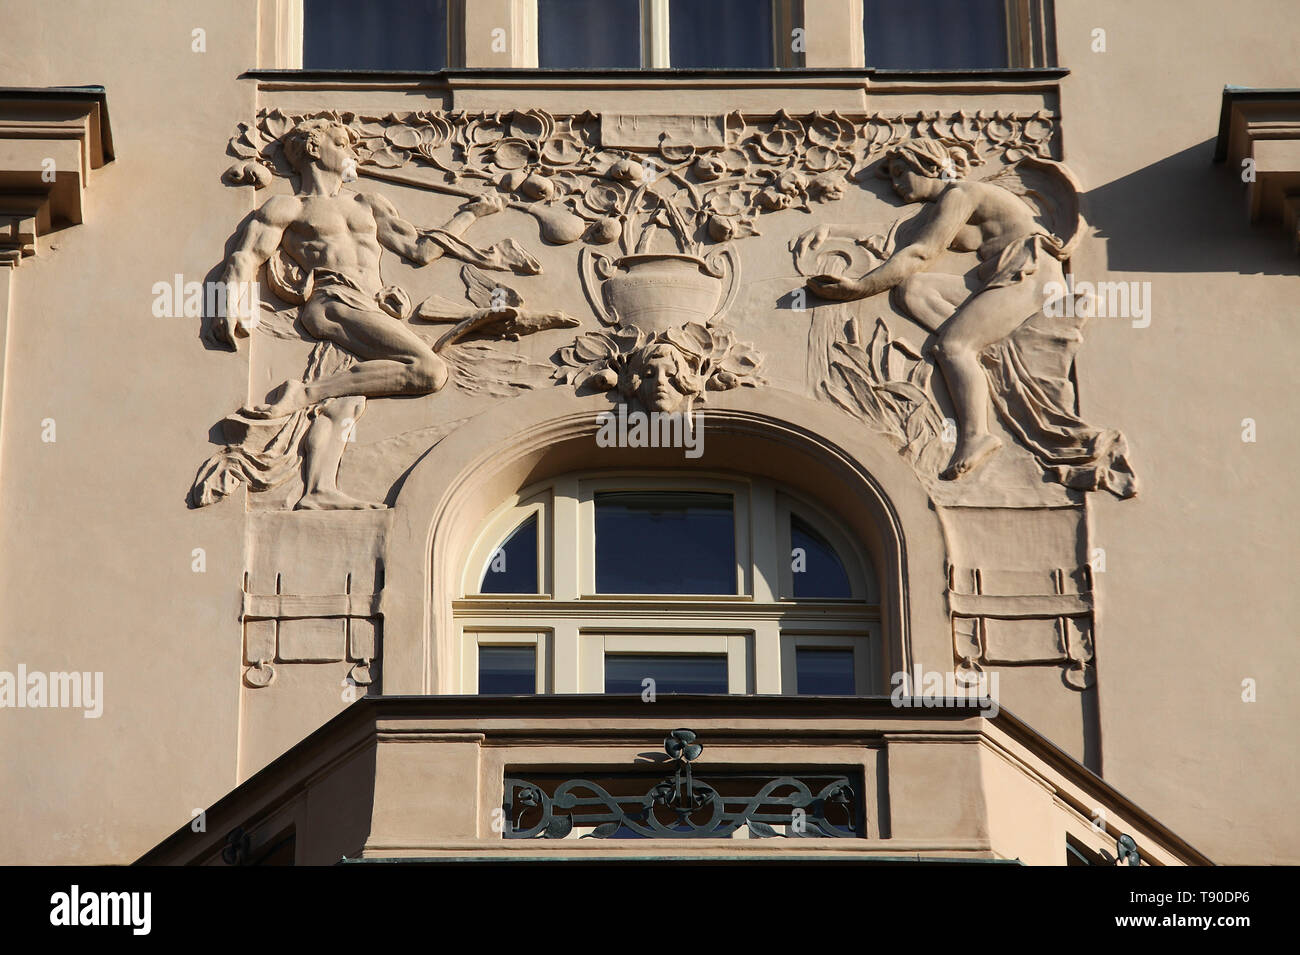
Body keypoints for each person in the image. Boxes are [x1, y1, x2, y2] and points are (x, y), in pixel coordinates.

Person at [808, 138, 1071, 481]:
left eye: (902, 173)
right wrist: (834, 230)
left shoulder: (961, 193)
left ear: (930, 166)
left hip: (1029, 273)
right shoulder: (943, 205)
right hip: (996, 276)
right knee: (912, 288)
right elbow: (898, 243)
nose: (897, 184)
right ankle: (975, 350)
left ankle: (977, 434)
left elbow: (919, 253)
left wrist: (858, 288)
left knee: (952, 347)